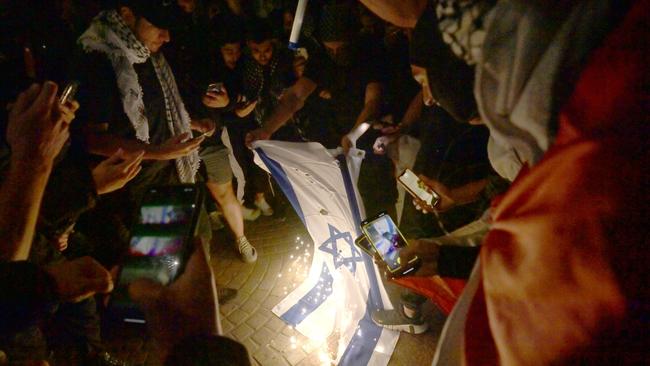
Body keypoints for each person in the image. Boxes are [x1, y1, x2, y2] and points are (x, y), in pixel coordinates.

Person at [246, 1, 397, 218]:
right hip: (338, 143)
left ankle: (390, 252)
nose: (335, 54)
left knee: (378, 208)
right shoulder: (323, 58)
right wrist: (266, 129)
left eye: (341, 48)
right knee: (344, 211)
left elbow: (372, 103)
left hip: (370, 144)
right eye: (329, 48)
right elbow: (296, 96)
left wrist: (353, 135)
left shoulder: (370, 53)